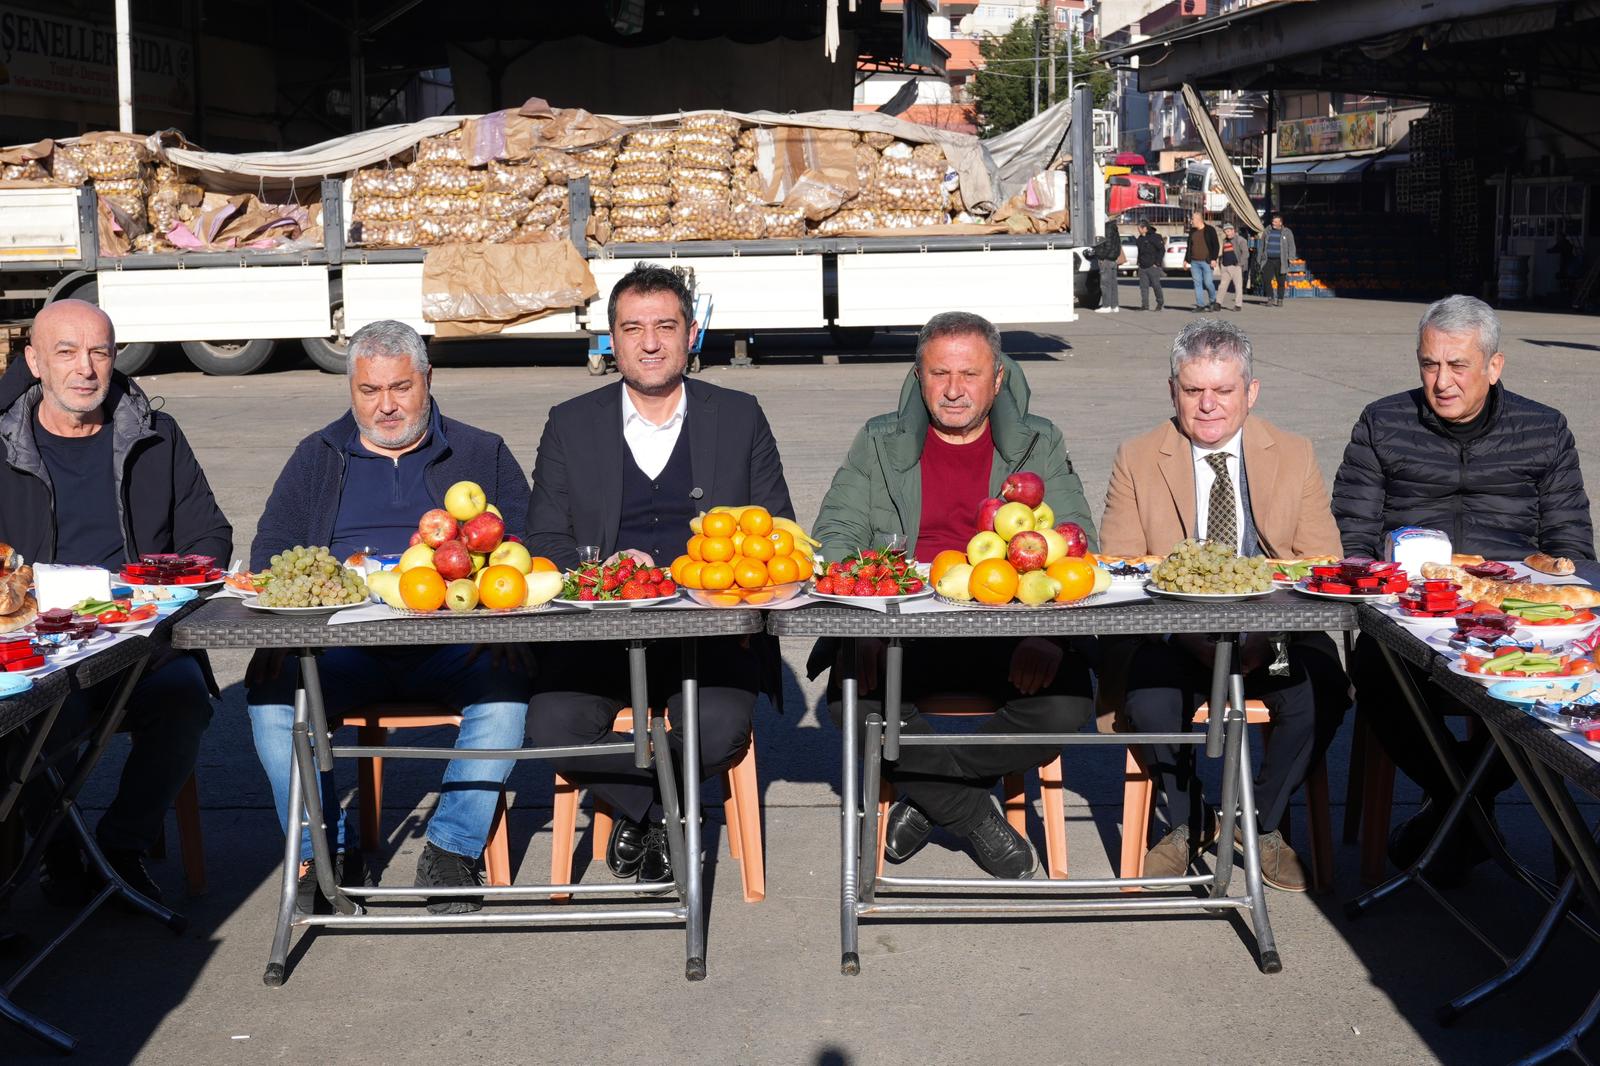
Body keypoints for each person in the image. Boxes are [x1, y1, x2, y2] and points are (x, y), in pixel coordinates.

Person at [246, 320, 532, 913]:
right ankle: (324, 853)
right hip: (341, 652)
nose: (386, 406)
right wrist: (283, 629)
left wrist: (508, 623)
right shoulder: (317, 457)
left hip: (454, 647)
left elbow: (528, 544)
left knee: (508, 692)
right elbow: (271, 553)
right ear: (350, 389)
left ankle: (451, 849)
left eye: (401, 387)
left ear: (427, 379)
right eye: (369, 391)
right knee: (272, 698)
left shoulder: (481, 452)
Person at [525, 265, 793, 884]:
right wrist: (603, 572)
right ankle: (661, 813)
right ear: (612, 339)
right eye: (633, 329)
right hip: (599, 636)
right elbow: (543, 539)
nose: (650, 343)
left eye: (665, 327)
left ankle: (637, 808)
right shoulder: (570, 422)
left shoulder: (739, 416)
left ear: (691, 334)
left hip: (711, 635)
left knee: (717, 732)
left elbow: (778, 529)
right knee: (550, 727)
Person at [808, 311, 1100, 879]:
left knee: (1067, 705)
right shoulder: (878, 440)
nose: (954, 389)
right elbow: (835, 536)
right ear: (919, 376)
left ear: (998, 378)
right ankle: (972, 813)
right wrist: (867, 626)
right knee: (853, 703)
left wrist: (1048, 636)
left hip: (1009, 629)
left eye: (970, 374)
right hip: (903, 631)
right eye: (940, 373)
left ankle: (928, 799)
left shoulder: (1039, 441)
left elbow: (1076, 541)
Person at [1334, 295, 1593, 880]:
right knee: (1376, 672)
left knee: (1562, 691)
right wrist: (1390, 591)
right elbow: (1354, 537)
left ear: (1494, 366)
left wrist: (1544, 593)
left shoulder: (1544, 428)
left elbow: (1572, 546)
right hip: (1410, 608)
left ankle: (1452, 816)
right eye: (1429, 364)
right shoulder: (1383, 422)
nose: (1442, 381)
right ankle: (1466, 809)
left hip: (1514, 610)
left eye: (1458, 365)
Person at [1100, 319, 1349, 891]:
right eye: (1193, 391)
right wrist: (1192, 633)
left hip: (1273, 633)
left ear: (1250, 392)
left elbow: (1320, 561)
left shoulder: (1293, 453)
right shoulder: (1137, 457)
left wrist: (1266, 633)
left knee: (1321, 689)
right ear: (1173, 392)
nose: (1207, 405)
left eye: (1223, 390)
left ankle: (1255, 820)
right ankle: (1189, 821)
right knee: (1150, 698)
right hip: (1175, 631)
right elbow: (1121, 567)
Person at [0, 299, 231, 905]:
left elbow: (211, 536)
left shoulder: (156, 435)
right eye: (66, 352)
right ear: (35, 362)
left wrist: (155, 591)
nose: (85, 368)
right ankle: (60, 854)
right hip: (42, 646)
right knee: (35, 720)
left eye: (99, 352)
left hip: (142, 636)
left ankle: (121, 848)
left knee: (184, 701)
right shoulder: (3, 445)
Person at [1185, 210, 1221, 313]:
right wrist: (1186, 260)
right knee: (1197, 284)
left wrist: (1214, 259)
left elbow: (1216, 245)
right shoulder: (1192, 231)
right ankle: (1200, 305)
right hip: (1194, 262)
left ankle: (1213, 301)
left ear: (1198, 219)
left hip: (1207, 262)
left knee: (1208, 283)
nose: (1191, 221)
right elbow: (1189, 247)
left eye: (1192, 219)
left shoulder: (1210, 230)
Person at [1258, 214, 1297, 307]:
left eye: (1276, 222)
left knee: (1281, 282)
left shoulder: (1287, 232)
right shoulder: (1267, 231)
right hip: (1268, 260)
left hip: (1281, 261)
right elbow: (1261, 245)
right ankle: (1270, 298)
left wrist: (1291, 257)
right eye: (1273, 221)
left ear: (1281, 223)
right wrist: (1259, 258)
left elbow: (1292, 245)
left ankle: (1280, 299)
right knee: (1266, 280)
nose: (1273, 223)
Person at [1216, 222, 1248, 312]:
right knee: (1222, 286)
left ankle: (1238, 305)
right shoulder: (1224, 240)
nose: (1227, 233)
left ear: (1233, 230)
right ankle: (1218, 303)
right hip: (1225, 266)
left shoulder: (1241, 240)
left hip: (1236, 266)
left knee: (1238, 286)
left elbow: (1245, 253)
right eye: (1225, 231)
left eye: (1228, 231)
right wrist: (1221, 264)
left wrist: (1240, 264)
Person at [1135, 222, 1166, 311]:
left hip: (1153, 266)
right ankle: (1145, 305)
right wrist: (1139, 262)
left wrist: (1157, 263)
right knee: (1143, 287)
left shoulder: (1155, 237)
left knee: (1156, 285)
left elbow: (1162, 250)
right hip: (1142, 266)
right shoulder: (1139, 239)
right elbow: (1140, 252)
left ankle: (1160, 302)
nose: (1138, 230)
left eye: (1139, 228)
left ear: (1145, 228)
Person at [1094, 218, 1123, 314]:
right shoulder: (1114, 228)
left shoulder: (1106, 228)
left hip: (1106, 259)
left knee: (1105, 284)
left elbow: (1107, 245)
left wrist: (1101, 257)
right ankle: (1114, 306)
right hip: (1113, 259)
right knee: (1113, 284)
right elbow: (1118, 245)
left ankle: (1106, 306)